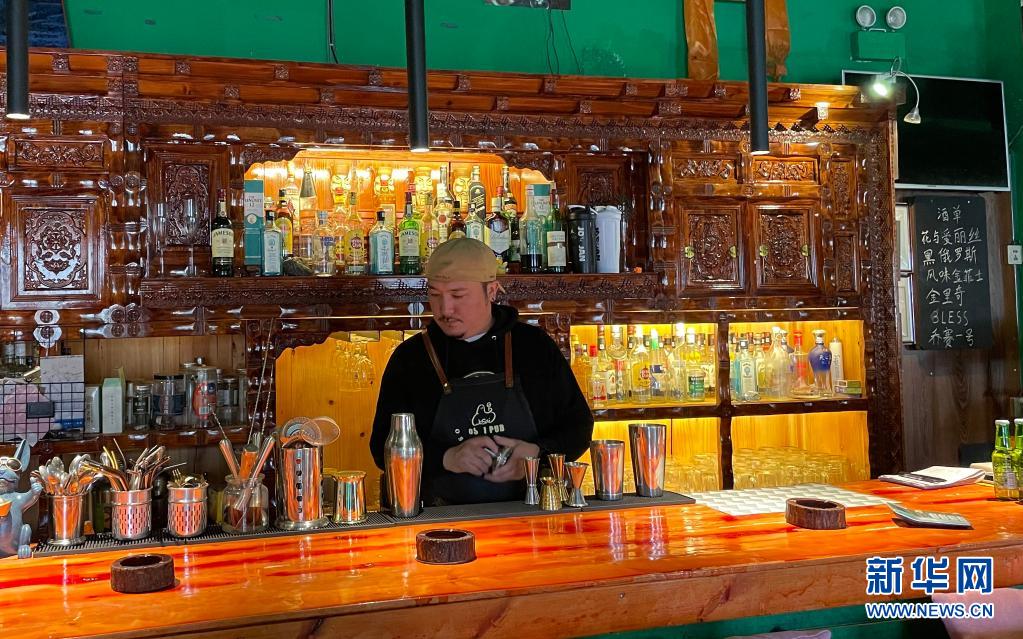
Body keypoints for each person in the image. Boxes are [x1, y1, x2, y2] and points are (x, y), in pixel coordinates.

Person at [370, 238, 593, 505]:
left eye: (458, 295)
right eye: (435, 294)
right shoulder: (411, 359)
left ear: (492, 291)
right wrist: (447, 458)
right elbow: (382, 448)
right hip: (438, 518)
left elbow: (578, 428)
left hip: (532, 512)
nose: (445, 309)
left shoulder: (534, 348)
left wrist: (536, 454)